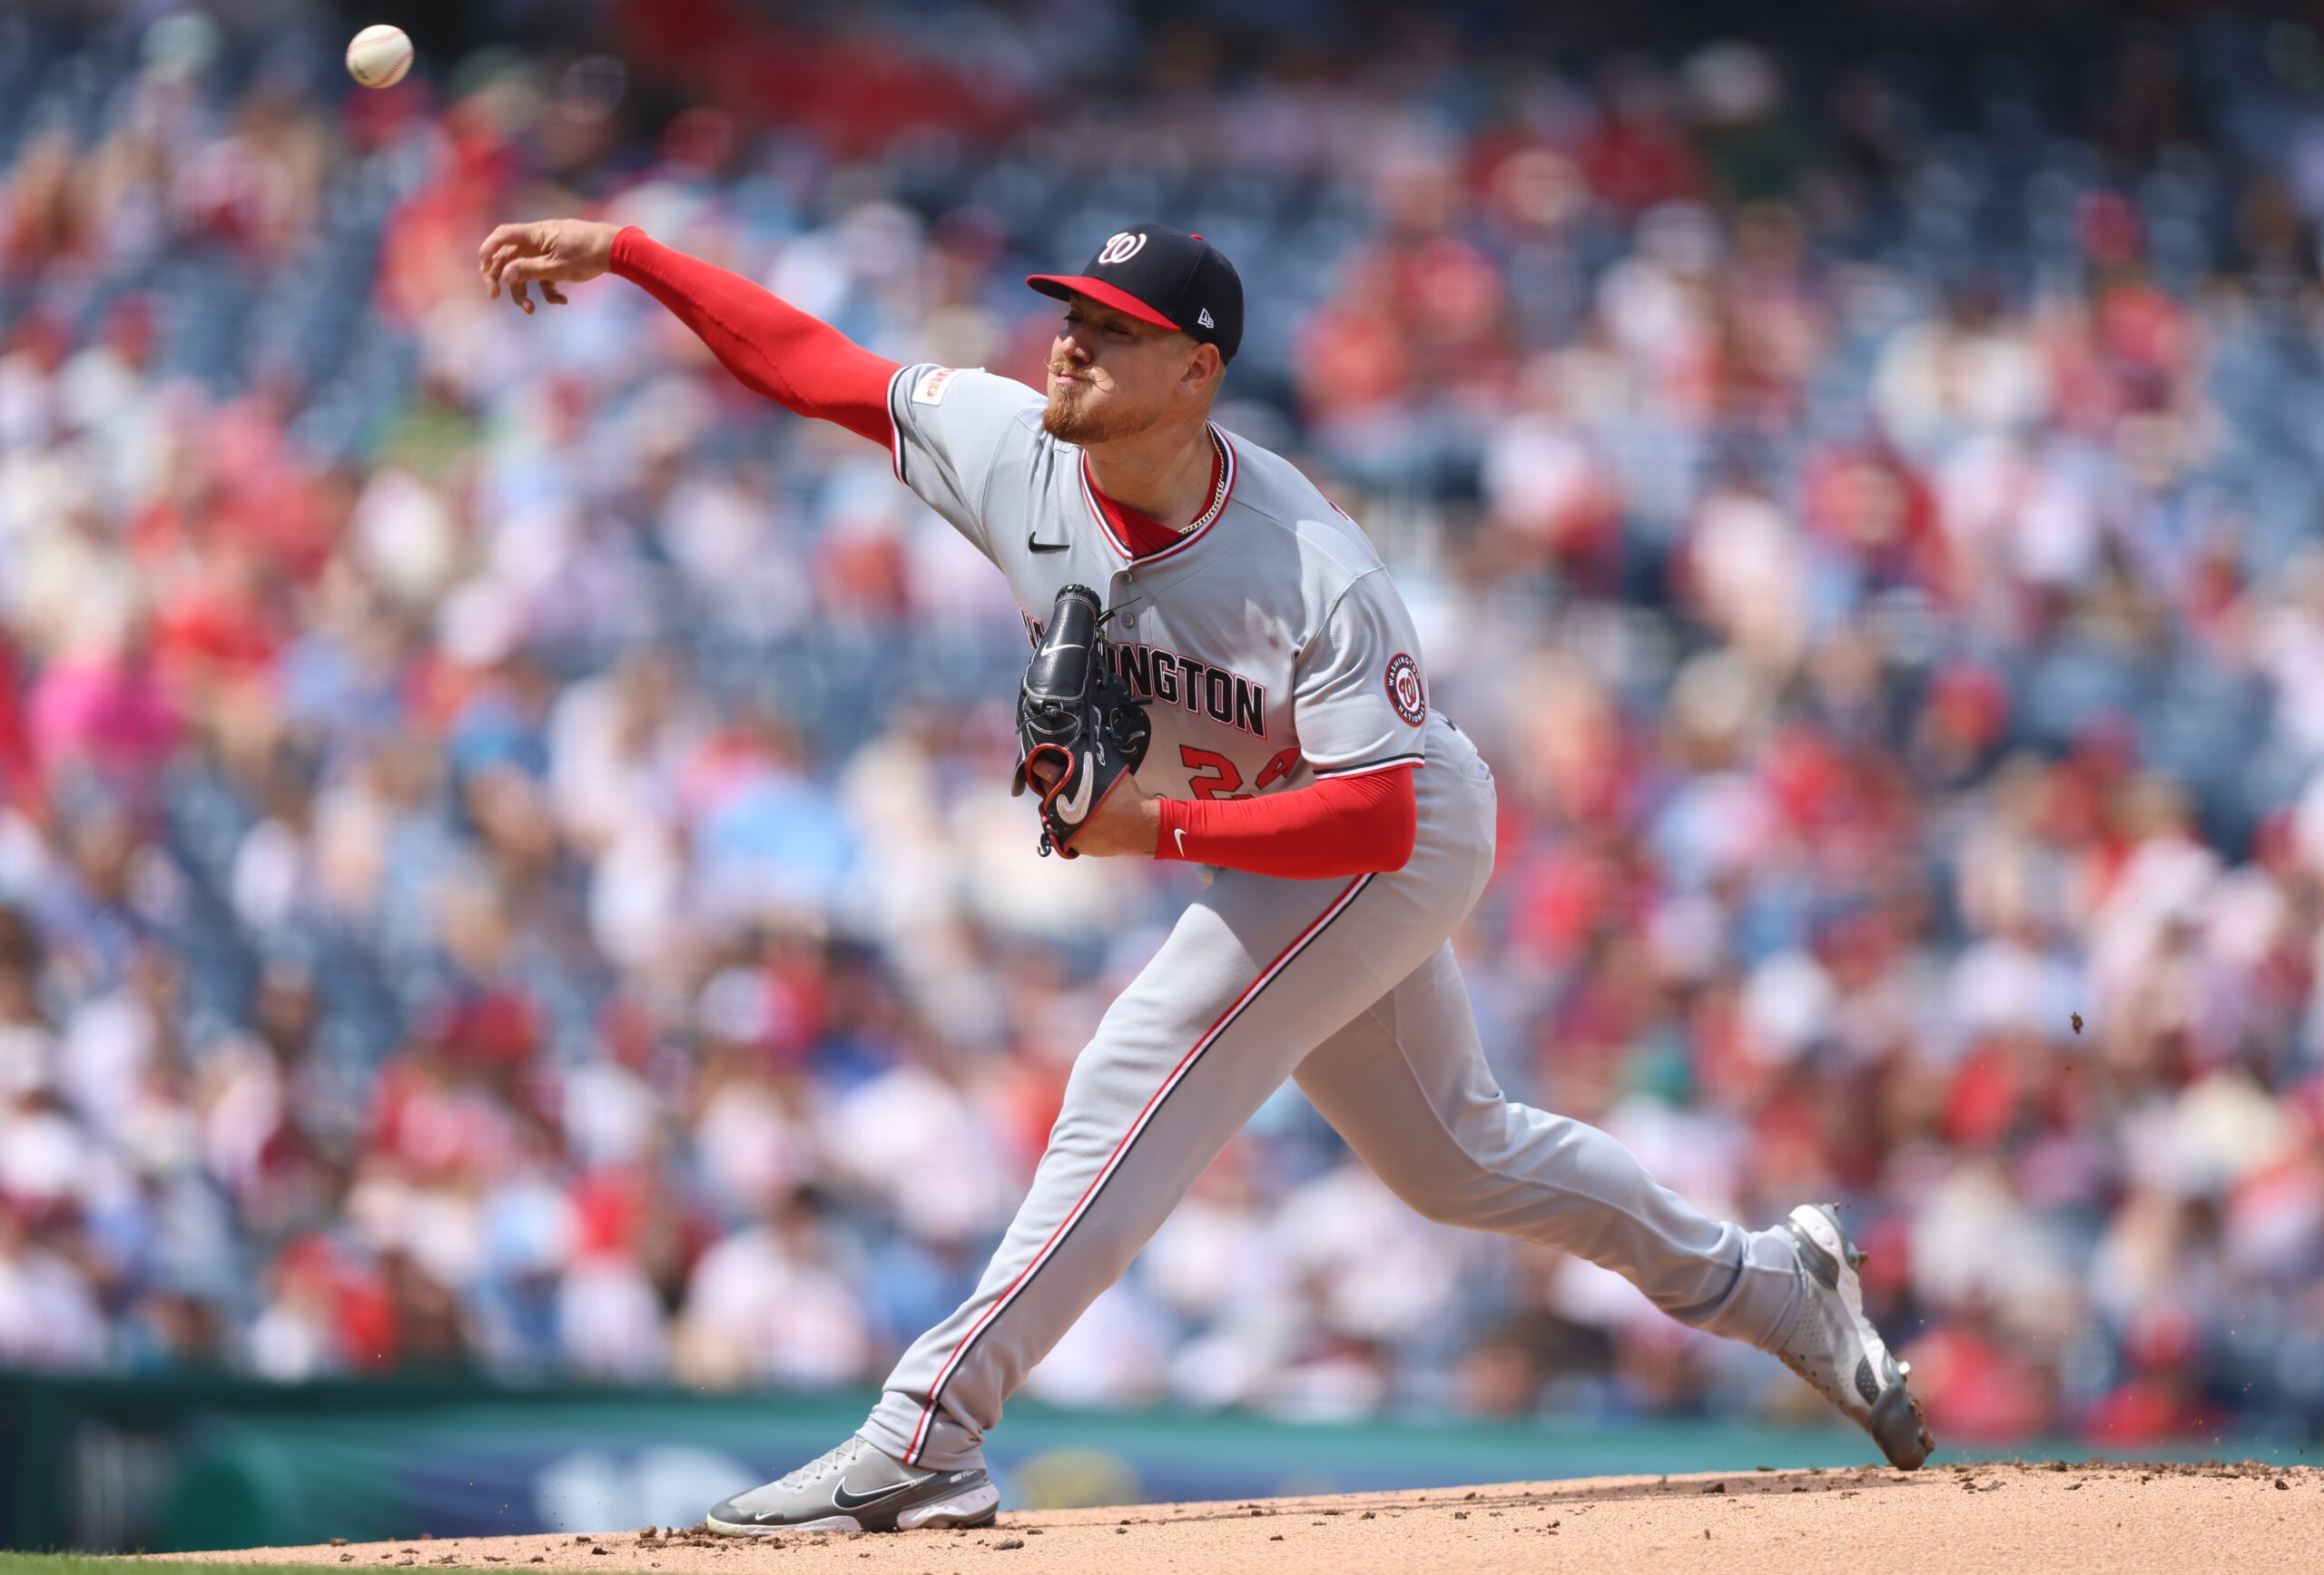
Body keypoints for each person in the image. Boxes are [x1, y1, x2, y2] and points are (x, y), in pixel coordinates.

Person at [476, 216, 1935, 1534]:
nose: (1070, 341)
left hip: (1393, 829)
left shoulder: (1311, 564)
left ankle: (926, 1431)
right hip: (1278, 835)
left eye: (1113, 329)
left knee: (1142, 1056)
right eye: (1071, 314)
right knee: (1457, 1160)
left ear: (1198, 374)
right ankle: (1772, 1286)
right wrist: (634, 253)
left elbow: (1370, 821)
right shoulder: (1015, 448)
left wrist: (1153, 835)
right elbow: (816, 369)